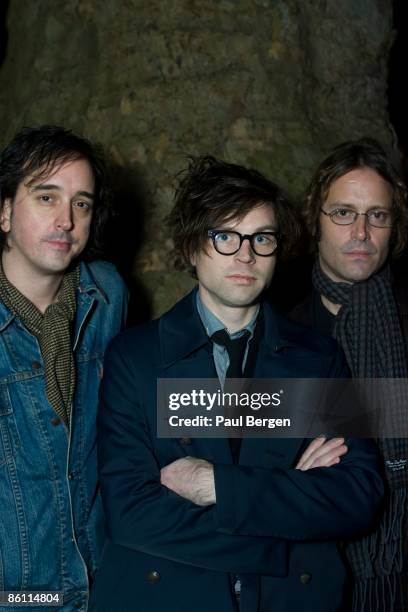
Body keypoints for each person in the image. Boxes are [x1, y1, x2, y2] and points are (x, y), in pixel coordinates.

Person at [91, 156, 383, 612]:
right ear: (191, 248)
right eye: (225, 236)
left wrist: (220, 488)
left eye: (261, 238)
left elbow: (357, 496)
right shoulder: (134, 359)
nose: (245, 254)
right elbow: (131, 513)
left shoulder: (319, 359)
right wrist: (285, 502)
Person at [0, 126, 128, 611]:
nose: (66, 220)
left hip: (102, 584)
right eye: (46, 197)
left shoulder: (108, 294)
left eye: (82, 203)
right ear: (5, 211)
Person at [290, 137, 408, 611]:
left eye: (377, 215)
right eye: (343, 213)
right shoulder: (282, 331)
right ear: (315, 222)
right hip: (315, 573)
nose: (361, 231)